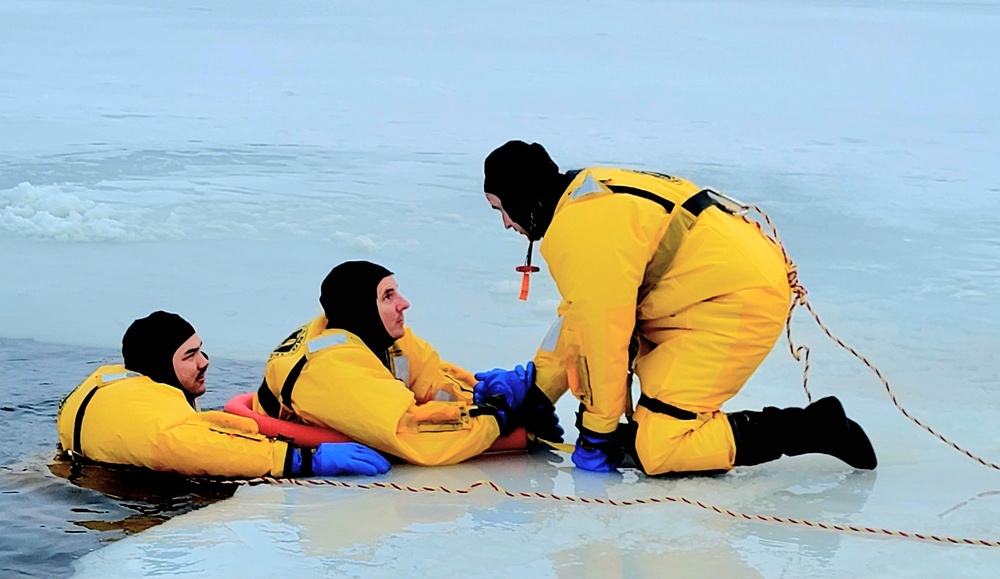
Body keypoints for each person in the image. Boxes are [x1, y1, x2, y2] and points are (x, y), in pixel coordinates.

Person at [476, 140, 877, 475]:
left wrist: (598, 432)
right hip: (698, 293)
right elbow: (582, 316)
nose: (507, 224)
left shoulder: (578, 229)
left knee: (660, 449)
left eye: (501, 210)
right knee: (635, 400)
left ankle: (813, 428)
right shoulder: (583, 197)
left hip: (731, 303)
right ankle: (630, 427)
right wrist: (539, 389)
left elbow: (602, 336)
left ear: (521, 199)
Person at [253, 260, 551, 466]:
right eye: (388, 296)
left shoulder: (382, 337)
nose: (404, 303)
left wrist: (483, 396)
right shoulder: (330, 369)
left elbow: (434, 381)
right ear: (362, 309)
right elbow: (413, 436)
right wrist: (497, 419)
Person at [57, 311, 390, 479]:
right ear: (160, 365)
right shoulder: (163, 430)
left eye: (200, 350)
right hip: (118, 494)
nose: (205, 362)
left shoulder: (115, 386)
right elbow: (204, 447)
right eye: (189, 356)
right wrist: (306, 460)